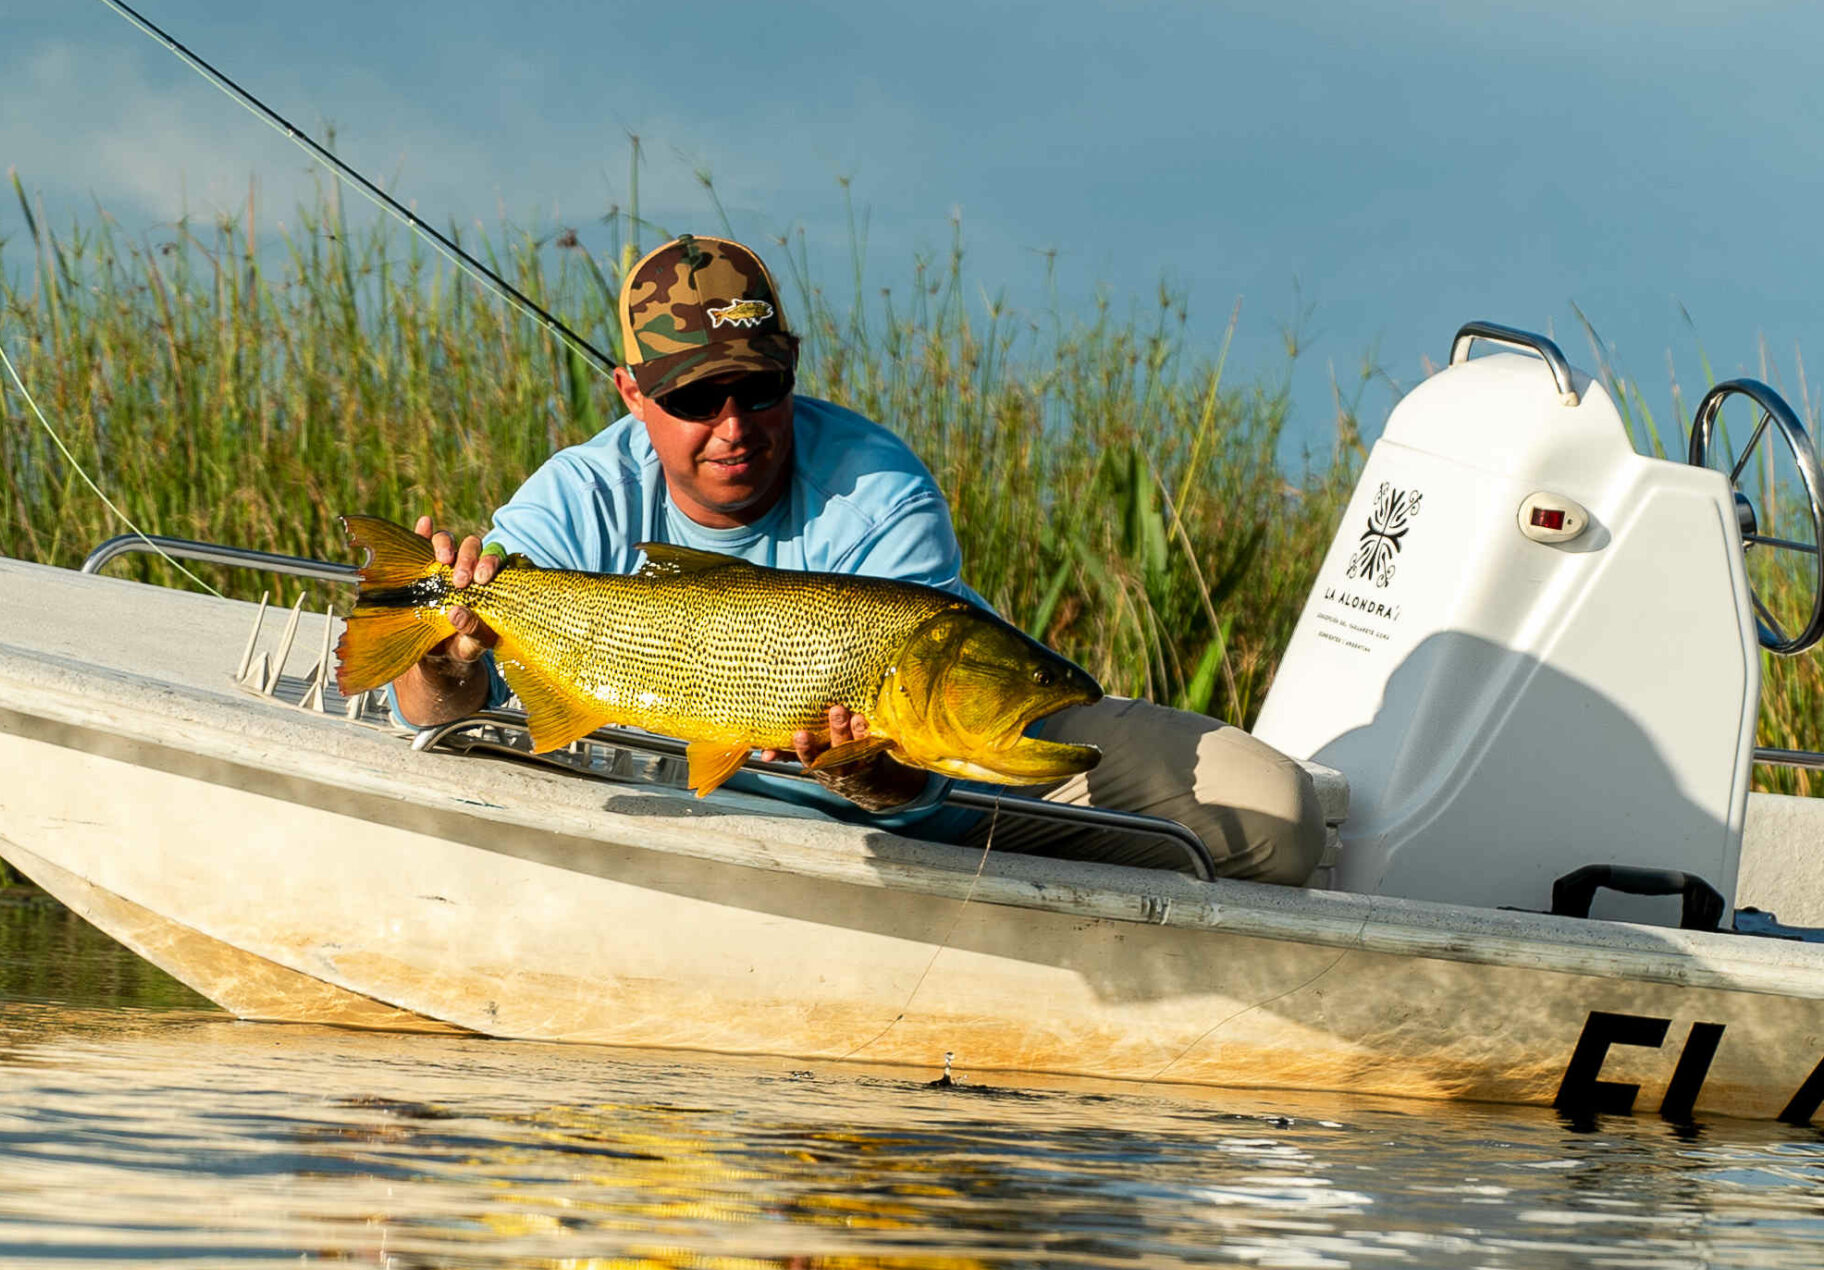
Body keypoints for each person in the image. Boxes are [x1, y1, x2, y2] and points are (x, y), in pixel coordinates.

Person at [390, 234, 1324, 886]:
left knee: (1276, 817)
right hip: (668, 814)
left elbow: (916, 791)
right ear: (632, 392)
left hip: (914, 809)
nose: (733, 427)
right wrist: (440, 656)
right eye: (696, 397)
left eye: (759, 390)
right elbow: (440, 716)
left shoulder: (878, 487)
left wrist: (865, 773)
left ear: (791, 368)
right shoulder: (579, 496)